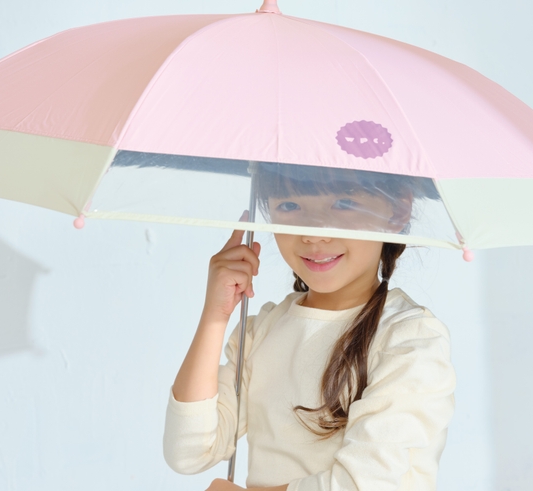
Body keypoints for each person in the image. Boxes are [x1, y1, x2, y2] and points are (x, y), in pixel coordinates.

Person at [163, 163, 457, 491]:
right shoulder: (264, 330)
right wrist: (215, 315)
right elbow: (188, 452)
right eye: (290, 205)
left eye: (344, 203)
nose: (313, 234)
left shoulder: (408, 338)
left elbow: (364, 484)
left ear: (397, 210)